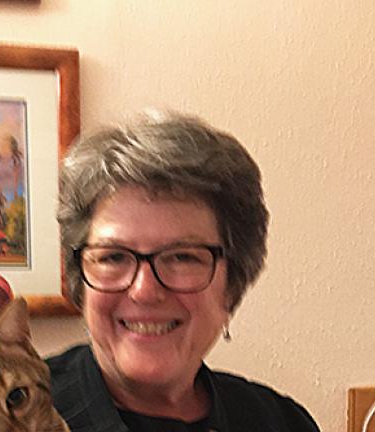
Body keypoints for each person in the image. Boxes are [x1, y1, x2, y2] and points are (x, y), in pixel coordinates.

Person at [46, 111, 320, 431]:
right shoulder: (1, 417)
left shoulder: (280, 422)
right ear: (80, 278)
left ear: (232, 284)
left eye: (182, 258)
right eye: (114, 257)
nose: (144, 290)